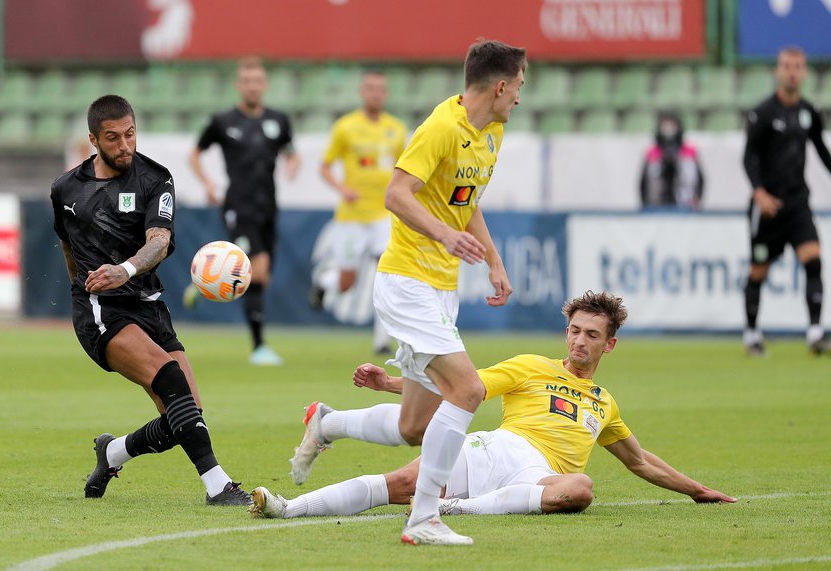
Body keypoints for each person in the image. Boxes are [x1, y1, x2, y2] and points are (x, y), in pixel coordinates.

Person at [291, 40, 525, 546]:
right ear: (501, 85)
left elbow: (467, 202)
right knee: (468, 390)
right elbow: (395, 194)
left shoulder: (493, 133)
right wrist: (444, 234)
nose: (520, 98)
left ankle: (327, 424)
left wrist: (493, 259)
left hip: (440, 288)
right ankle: (423, 518)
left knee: (416, 425)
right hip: (407, 282)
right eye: (520, 86)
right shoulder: (441, 127)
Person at [250, 291, 735, 522]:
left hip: (538, 475)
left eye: (592, 335)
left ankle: (456, 508)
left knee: (581, 489)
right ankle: (287, 507)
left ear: (610, 345)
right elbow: (463, 387)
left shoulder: (605, 404)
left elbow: (641, 461)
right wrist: (391, 384)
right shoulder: (530, 366)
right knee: (398, 483)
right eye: (574, 331)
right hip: (497, 449)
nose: (579, 341)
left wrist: (698, 491)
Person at [50, 95, 251, 506]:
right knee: (169, 379)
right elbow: (67, 247)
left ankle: (113, 452)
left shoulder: (155, 179)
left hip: (147, 301)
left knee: (185, 417)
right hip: (101, 310)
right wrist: (83, 291)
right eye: (113, 138)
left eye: (130, 134)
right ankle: (219, 486)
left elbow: (158, 243)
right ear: (93, 140)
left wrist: (123, 270)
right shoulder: (65, 188)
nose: (125, 145)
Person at [183, 57, 301, 366]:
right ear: (239, 85)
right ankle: (259, 347)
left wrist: (292, 163)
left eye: (257, 81)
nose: (252, 86)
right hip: (238, 205)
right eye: (246, 81)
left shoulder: (279, 120)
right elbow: (194, 155)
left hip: (268, 206)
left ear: (265, 85)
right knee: (256, 271)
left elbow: (291, 152)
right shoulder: (223, 121)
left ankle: (206, 281)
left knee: (263, 277)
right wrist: (208, 183)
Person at [310, 69, 408, 355]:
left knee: (387, 276)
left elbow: (404, 168)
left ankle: (382, 341)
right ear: (363, 93)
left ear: (385, 94)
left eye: (380, 89)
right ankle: (323, 282)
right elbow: (325, 166)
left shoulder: (396, 129)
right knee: (346, 283)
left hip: (384, 215)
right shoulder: (346, 127)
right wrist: (342, 189)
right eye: (371, 89)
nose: (376, 94)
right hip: (352, 217)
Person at [742, 47, 831, 356]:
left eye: (798, 66)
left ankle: (815, 333)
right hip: (768, 209)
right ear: (778, 72)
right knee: (758, 272)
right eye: (787, 66)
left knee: (814, 261)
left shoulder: (809, 112)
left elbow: (821, 151)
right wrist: (759, 193)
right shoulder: (763, 113)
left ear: (804, 72)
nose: (792, 71)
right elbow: (749, 157)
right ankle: (752, 334)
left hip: (797, 205)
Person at [639, 111, 704, 210]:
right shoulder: (652, 152)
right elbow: (643, 183)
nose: (668, 129)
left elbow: (700, 180)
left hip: (685, 207)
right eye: (665, 126)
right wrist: (646, 205)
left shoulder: (689, 151)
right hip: (656, 207)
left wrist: (697, 199)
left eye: (671, 125)